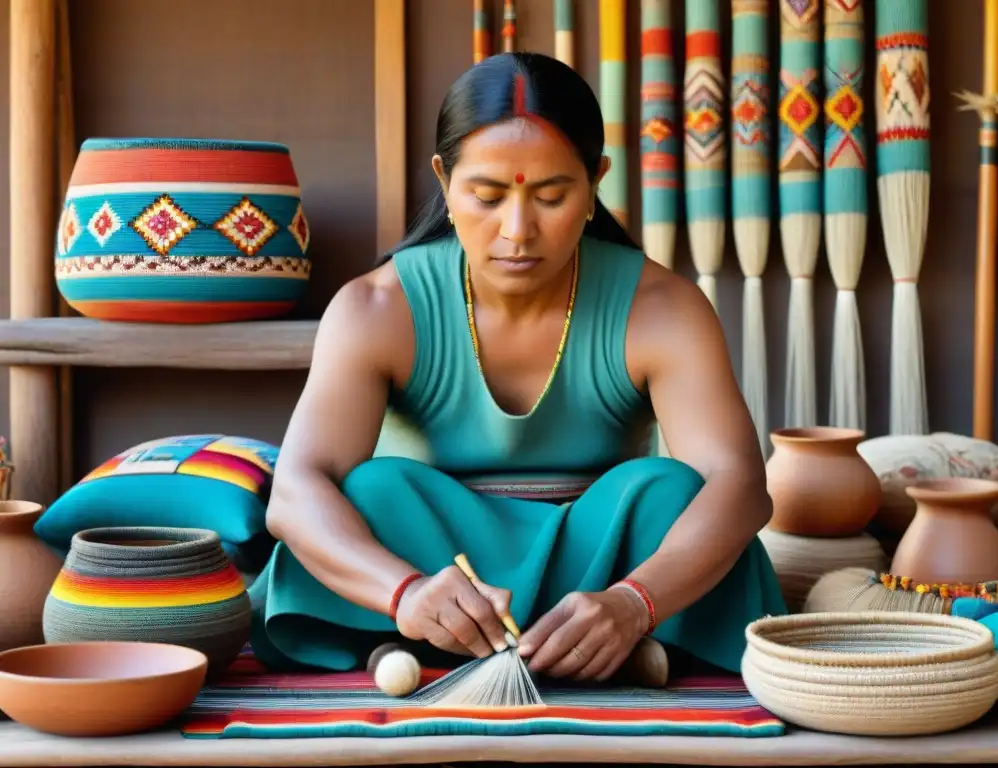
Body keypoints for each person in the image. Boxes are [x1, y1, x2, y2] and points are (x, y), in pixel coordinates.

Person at [250, 51, 786, 683]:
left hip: (604, 567)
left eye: (553, 196)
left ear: (594, 185)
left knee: (668, 491)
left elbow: (740, 486)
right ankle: (445, 632)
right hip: (441, 565)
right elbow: (294, 492)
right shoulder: (376, 308)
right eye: (487, 195)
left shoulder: (662, 308)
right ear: (444, 183)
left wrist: (635, 603)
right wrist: (407, 593)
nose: (518, 229)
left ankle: (493, 649)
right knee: (372, 491)